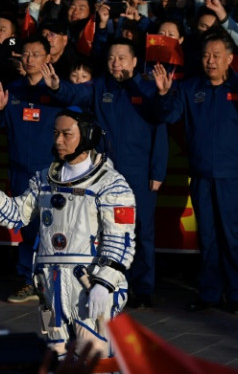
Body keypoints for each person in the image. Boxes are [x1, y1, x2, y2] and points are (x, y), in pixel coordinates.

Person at [0, 107, 136, 374]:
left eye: (66, 134)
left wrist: (105, 283)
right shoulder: (44, 179)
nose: (58, 140)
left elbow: (120, 240)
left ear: (87, 136)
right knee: (57, 369)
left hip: (89, 289)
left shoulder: (111, 184)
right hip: (51, 291)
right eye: (55, 133)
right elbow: (15, 216)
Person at [45, 38, 168, 308]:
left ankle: (142, 287)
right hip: (104, 174)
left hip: (139, 172)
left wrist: (157, 170)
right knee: (101, 229)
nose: (116, 63)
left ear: (135, 61)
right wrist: (56, 86)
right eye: (112, 57)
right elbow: (73, 94)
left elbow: (161, 128)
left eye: (122, 57)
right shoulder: (99, 87)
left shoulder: (148, 89)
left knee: (140, 231)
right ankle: (106, 283)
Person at [153, 32, 238, 313]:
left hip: (234, 177)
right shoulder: (191, 88)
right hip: (201, 174)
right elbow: (170, 116)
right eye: (206, 55)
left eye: (216, 55)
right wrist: (165, 94)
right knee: (208, 236)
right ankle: (210, 292)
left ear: (229, 58)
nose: (210, 61)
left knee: (234, 236)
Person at [0, 35, 70, 303]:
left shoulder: (57, 92)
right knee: (27, 228)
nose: (30, 59)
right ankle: (27, 281)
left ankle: (56, 281)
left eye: (36, 54)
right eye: (26, 54)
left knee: (54, 228)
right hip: (20, 170)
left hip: (51, 171)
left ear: (48, 58)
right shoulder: (12, 91)